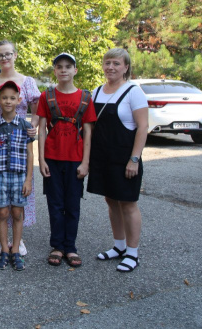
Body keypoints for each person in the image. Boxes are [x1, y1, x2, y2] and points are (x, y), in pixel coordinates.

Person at [87, 48, 148, 273]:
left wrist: (134, 159)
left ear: (126, 67)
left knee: (128, 203)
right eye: (107, 63)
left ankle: (133, 253)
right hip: (102, 156)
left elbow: (142, 127)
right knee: (111, 201)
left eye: (116, 63)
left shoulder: (134, 91)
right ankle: (119, 246)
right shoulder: (96, 92)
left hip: (125, 157)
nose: (110, 67)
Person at [37, 53, 97, 268]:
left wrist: (86, 162)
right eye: (59, 66)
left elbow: (88, 132)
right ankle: (57, 246)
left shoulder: (85, 97)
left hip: (75, 160)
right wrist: (41, 159)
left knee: (72, 205)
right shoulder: (47, 96)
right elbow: (41, 129)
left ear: (75, 70)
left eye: (68, 66)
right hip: (52, 158)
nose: (63, 70)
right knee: (55, 204)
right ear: (55, 70)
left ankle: (70, 246)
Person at [0, 40, 39, 256]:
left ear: (15, 55)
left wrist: (33, 126)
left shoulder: (27, 81)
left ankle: (18, 241)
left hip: (20, 142)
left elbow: (37, 109)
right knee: (0, 199)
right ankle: (2, 241)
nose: (4, 59)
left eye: (8, 54)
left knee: (19, 199)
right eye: (1, 55)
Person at [0, 80, 34, 271]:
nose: (8, 101)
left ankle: (16, 250)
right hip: (0, 176)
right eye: (4, 98)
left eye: (12, 98)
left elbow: (31, 154)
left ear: (19, 100)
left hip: (19, 176)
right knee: (3, 212)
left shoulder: (25, 125)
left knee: (16, 212)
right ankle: (4, 249)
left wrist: (29, 179)